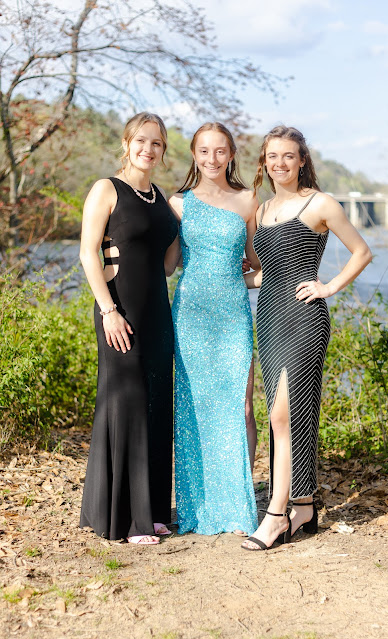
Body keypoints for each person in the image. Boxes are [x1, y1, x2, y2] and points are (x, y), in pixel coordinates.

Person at [242, 125, 372, 551]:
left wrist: (328, 286)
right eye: (272, 156)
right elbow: (266, 272)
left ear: (302, 161)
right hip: (269, 317)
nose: (280, 163)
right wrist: (230, 279)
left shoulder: (321, 203)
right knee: (284, 414)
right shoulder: (262, 210)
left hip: (304, 317)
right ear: (264, 162)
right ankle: (303, 506)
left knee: (283, 414)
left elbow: (362, 252)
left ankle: (275, 514)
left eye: (289, 156)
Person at [79, 112, 179, 545]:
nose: (148, 149)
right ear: (126, 143)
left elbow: (168, 265)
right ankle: (125, 519)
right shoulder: (107, 189)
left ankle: (152, 511)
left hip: (157, 312)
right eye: (141, 141)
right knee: (128, 402)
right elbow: (88, 253)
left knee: (156, 403)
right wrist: (108, 310)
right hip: (118, 310)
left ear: (163, 150)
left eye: (156, 143)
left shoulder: (160, 197)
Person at [169, 122, 259, 536]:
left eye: (220, 151)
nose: (212, 158)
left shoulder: (247, 199)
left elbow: (256, 265)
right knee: (194, 408)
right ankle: (197, 505)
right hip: (190, 314)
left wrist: (300, 277)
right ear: (194, 154)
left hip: (232, 315)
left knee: (241, 407)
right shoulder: (178, 203)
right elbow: (167, 264)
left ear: (231, 155)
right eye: (204, 151)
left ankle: (238, 507)